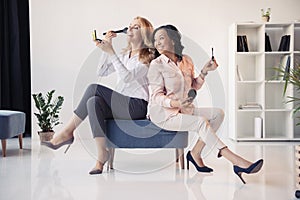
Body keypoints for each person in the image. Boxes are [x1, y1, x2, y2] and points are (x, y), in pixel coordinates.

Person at [147, 24, 263, 184]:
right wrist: (175, 102)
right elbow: (156, 96)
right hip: (163, 114)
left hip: (184, 110)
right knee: (201, 122)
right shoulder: (156, 65)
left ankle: (195, 153)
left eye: (161, 38)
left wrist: (204, 71)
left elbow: (194, 85)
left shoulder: (186, 60)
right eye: (155, 40)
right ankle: (235, 161)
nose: (157, 43)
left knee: (218, 114)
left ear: (173, 40)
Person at [42, 16, 155, 175]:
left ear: (144, 34)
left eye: (135, 27)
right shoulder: (124, 55)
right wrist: (106, 50)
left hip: (137, 106)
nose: (129, 29)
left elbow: (127, 77)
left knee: (93, 88)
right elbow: (101, 71)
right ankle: (102, 155)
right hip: (121, 105)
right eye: (129, 26)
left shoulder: (148, 57)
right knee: (93, 102)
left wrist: (111, 52)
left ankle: (67, 132)